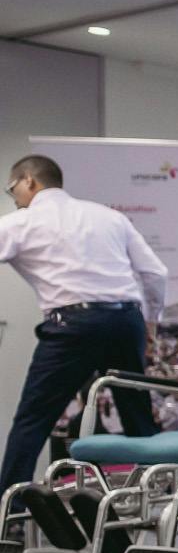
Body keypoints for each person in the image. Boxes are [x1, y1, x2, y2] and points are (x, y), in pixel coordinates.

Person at [0, 154, 167, 493]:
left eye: (12, 188)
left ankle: (10, 510)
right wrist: (151, 323)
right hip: (126, 321)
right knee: (137, 415)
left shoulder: (19, 223)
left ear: (29, 181)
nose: (13, 197)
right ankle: (160, 496)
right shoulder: (110, 217)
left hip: (74, 326)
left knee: (34, 419)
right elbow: (155, 273)